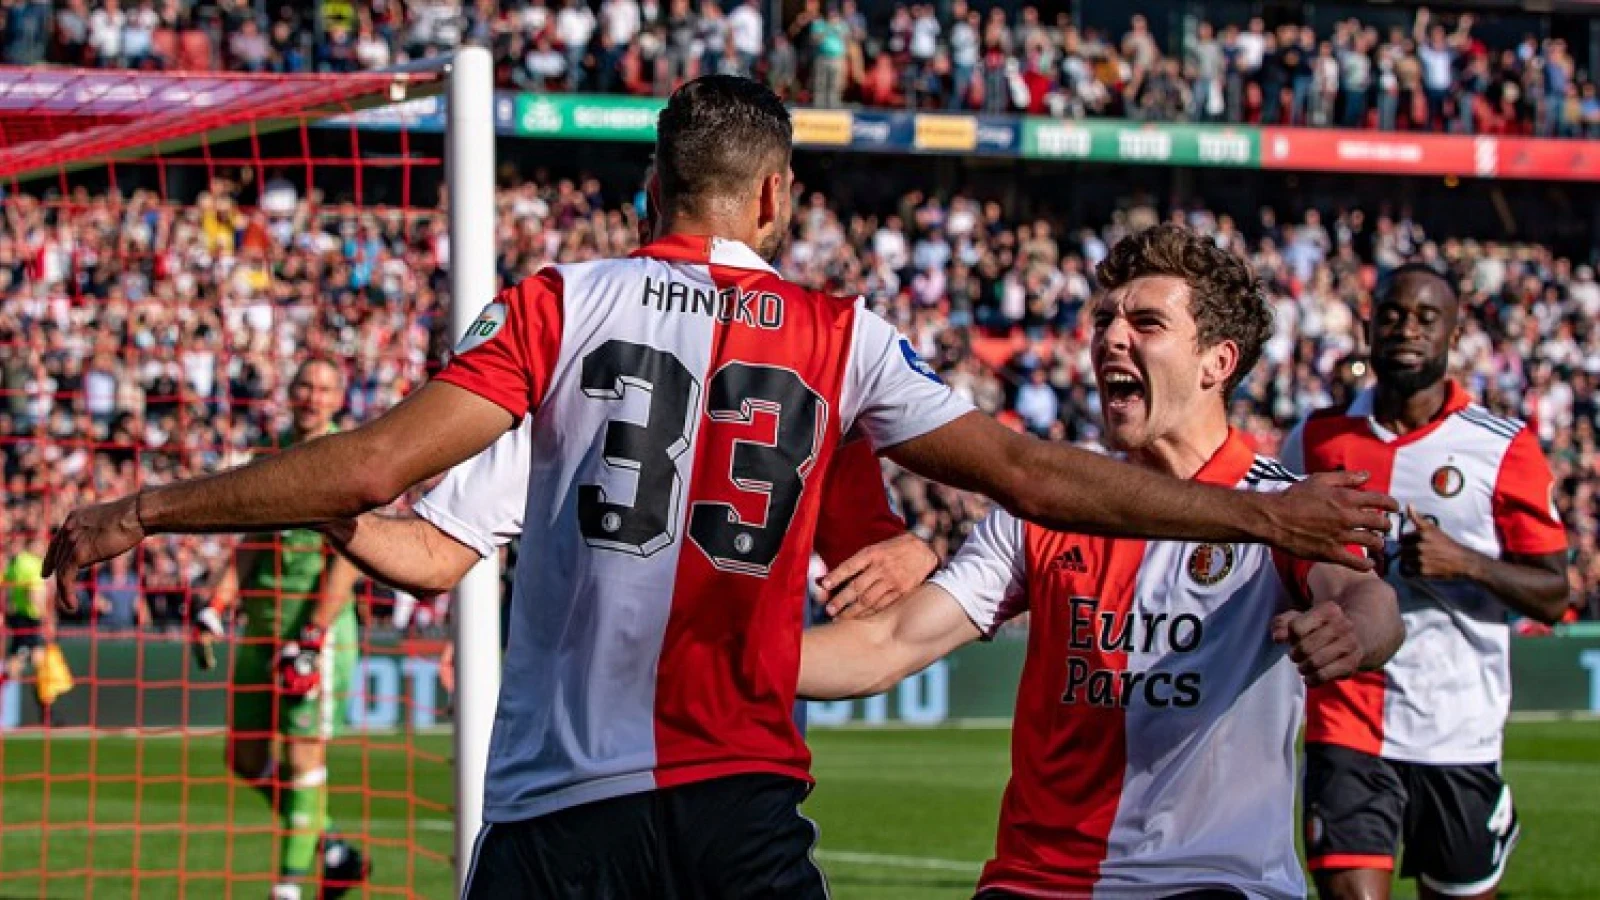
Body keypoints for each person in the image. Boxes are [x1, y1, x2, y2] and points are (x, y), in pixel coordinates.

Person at [45, 76, 1394, 898]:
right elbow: (1038, 475)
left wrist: (149, 506)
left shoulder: (559, 305)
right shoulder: (840, 334)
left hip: (560, 812)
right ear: (774, 197)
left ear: (652, 186)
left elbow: (385, 476)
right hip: (736, 796)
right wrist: (1260, 512)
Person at [794, 224, 1403, 899]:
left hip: (1210, 882)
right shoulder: (1046, 510)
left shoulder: (1277, 507)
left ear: (1217, 363)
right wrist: (721, 668)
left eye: (1146, 322)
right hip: (1036, 883)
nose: (1111, 338)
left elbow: (1368, 601)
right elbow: (888, 643)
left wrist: (1353, 631)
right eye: (1105, 319)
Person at [1282, 263, 1571, 900]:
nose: (1406, 328)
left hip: (1458, 727)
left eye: (1425, 317)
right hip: (1347, 720)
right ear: (1368, 325)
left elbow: (1555, 592)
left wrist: (1464, 561)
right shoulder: (1314, 439)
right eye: (1391, 314)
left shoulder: (1502, 447)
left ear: (1453, 332)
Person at [190, 359, 371, 900]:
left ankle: (289, 885)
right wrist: (216, 605)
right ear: (290, 392)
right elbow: (249, 541)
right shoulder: (270, 454)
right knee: (244, 758)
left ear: (339, 398)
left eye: (324, 387)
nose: (312, 395)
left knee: (302, 758)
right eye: (304, 385)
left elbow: (349, 556)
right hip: (260, 629)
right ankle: (332, 846)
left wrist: (312, 638)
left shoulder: (347, 457)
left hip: (316, 633)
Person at [4, 528, 55, 725]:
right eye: (42, 544)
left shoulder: (15, 563)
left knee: (38, 663)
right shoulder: (31, 564)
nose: (45, 548)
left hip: (18, 618)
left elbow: (7, 591)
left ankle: (47, 712)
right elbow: (33, 594)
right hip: (30, 620)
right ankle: (46, 713)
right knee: (19, 666)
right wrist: (45, 620)